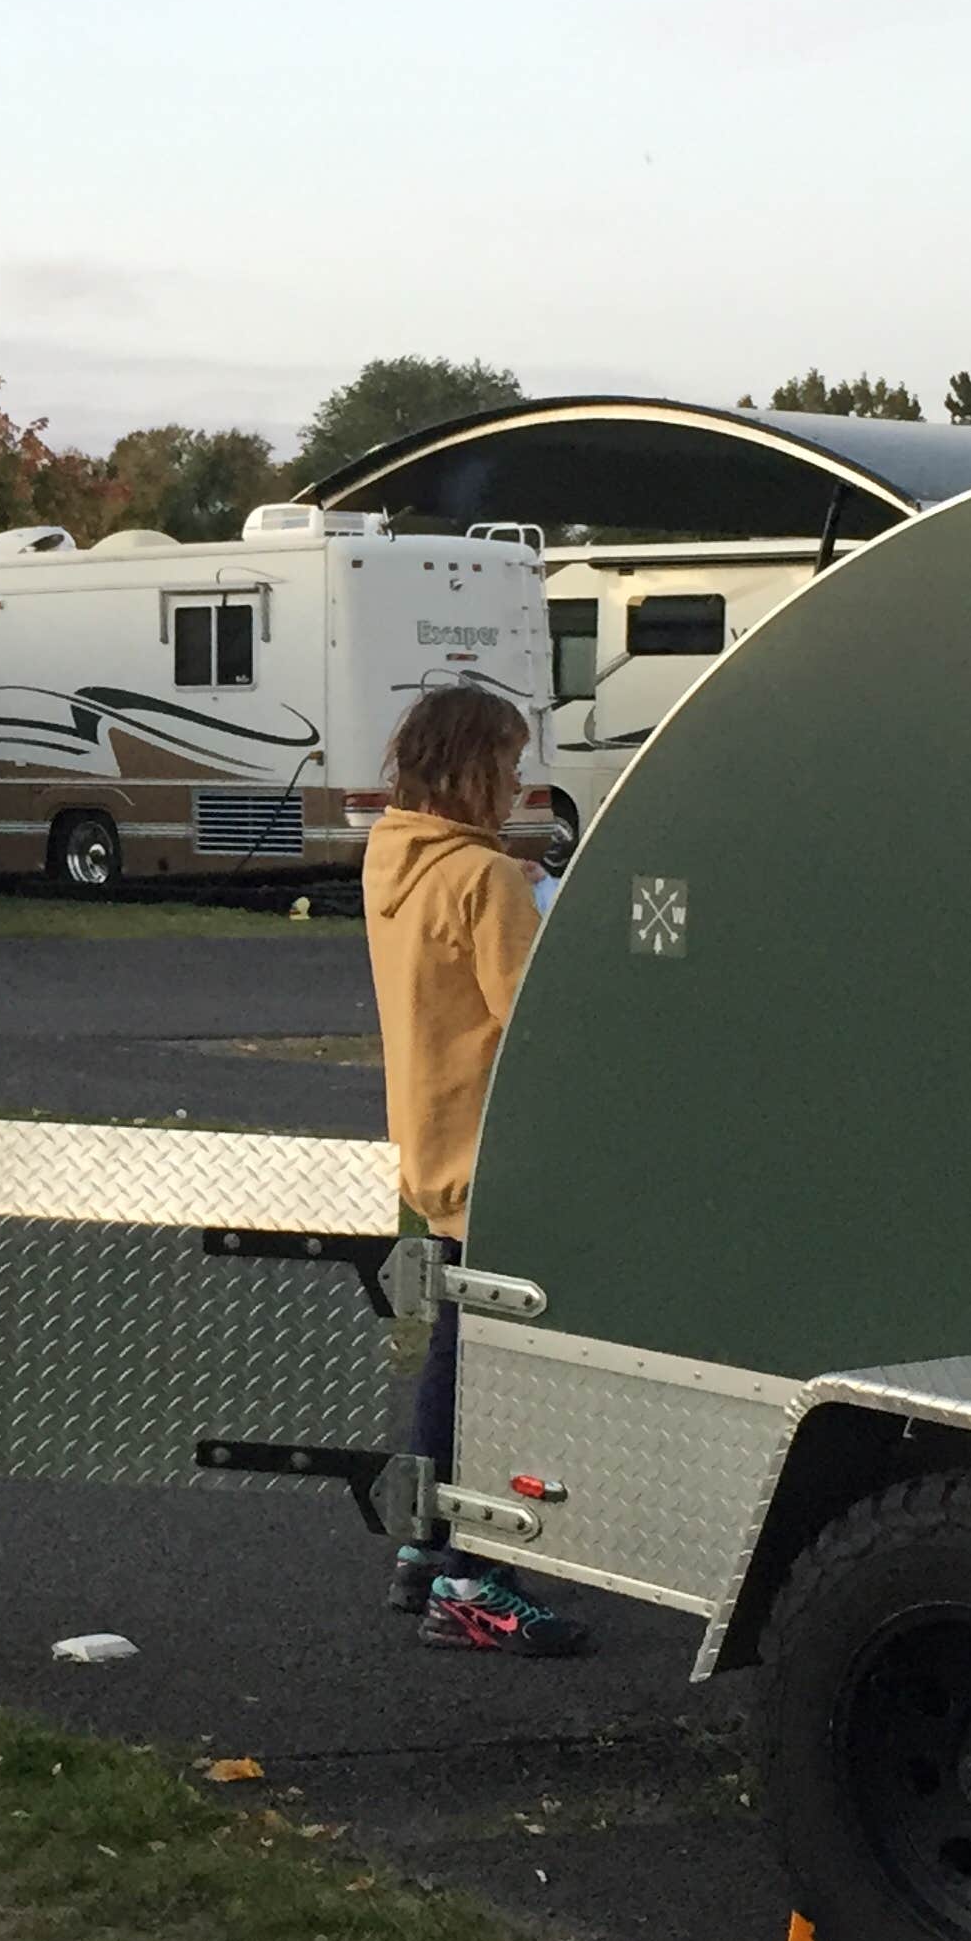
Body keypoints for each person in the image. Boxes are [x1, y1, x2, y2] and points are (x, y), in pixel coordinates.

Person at [363, 683, 593, 1658]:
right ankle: (477, 1580)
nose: (517, 788)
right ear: (469, 769)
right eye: (508, 765)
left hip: (432, 1149)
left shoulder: (392, 857)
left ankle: (425, 1550)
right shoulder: (487, 882)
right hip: (505, 1157)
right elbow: (543, 1024)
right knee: (501, 1375)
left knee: (454, 1355)